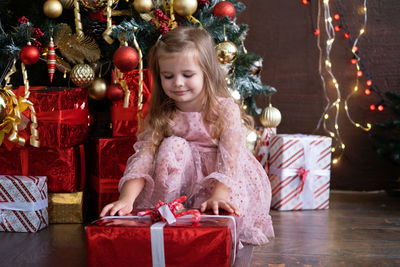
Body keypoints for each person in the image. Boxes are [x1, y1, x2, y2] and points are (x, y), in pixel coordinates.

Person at [100, 26, 274, 245]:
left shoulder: (223, 109)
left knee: (218, 217)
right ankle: (169, 214)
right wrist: (126, 199)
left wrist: (220, 195)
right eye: (168, 76)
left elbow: (230, 159)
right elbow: (143, 158)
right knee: (173, 145)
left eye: (188, 75)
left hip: (221, 181)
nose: (178, 83)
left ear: (206, 72)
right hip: (179, 181)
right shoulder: (164, 112)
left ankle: (212, 215)